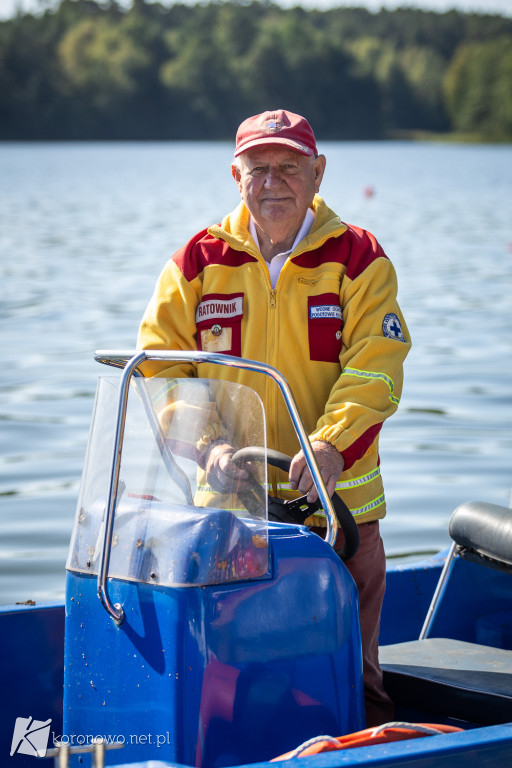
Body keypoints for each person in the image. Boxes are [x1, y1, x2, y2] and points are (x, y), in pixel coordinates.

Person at [137, 109, 411, 726]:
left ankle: (368, 746)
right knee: (225, 677)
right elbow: (159, 368)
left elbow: (377, 369)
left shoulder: (359, 257)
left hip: (342, 514)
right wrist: (206, 440)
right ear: (236, 176)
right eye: (258, 168)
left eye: (289, 167)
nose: (273, 181)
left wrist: (332, 446)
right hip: (229, 512)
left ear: (318, 173)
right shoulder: (196, 259)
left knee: (356, 677)